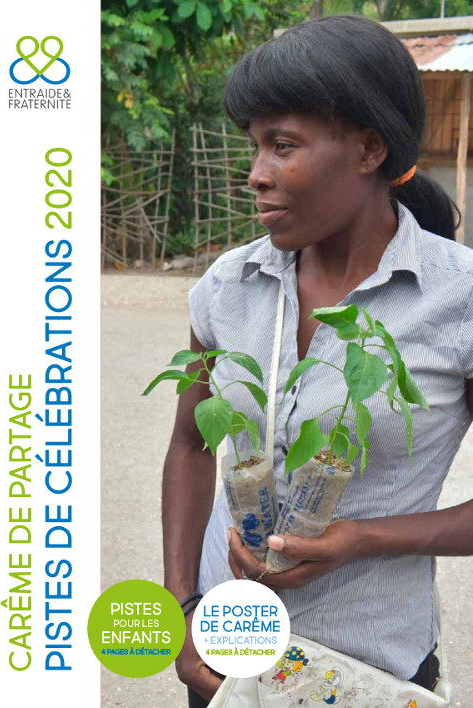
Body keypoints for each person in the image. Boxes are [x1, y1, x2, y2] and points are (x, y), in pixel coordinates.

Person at [162, 15, 473, 707]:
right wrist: (181, 606)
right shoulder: (228, 287)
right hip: (227, 650)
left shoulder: (459, 300)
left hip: (365, 669)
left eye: (282, 146)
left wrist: (361, 538)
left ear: (368, 148)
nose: (255, 175)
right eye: (254, 147)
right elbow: (189, 444)